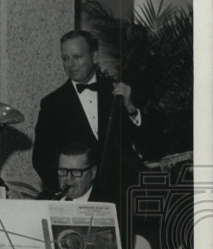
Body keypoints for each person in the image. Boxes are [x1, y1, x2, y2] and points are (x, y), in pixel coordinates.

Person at [32, 29, 160, 201]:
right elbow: (41, 159)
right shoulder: (51, 104)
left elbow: (149, 144)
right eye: (65, 58)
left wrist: (130, 108)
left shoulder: (119, 92)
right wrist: (69, 189)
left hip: (124, 196)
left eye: (77, 57)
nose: (70, 64)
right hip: (79, 198)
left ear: (94, 56)